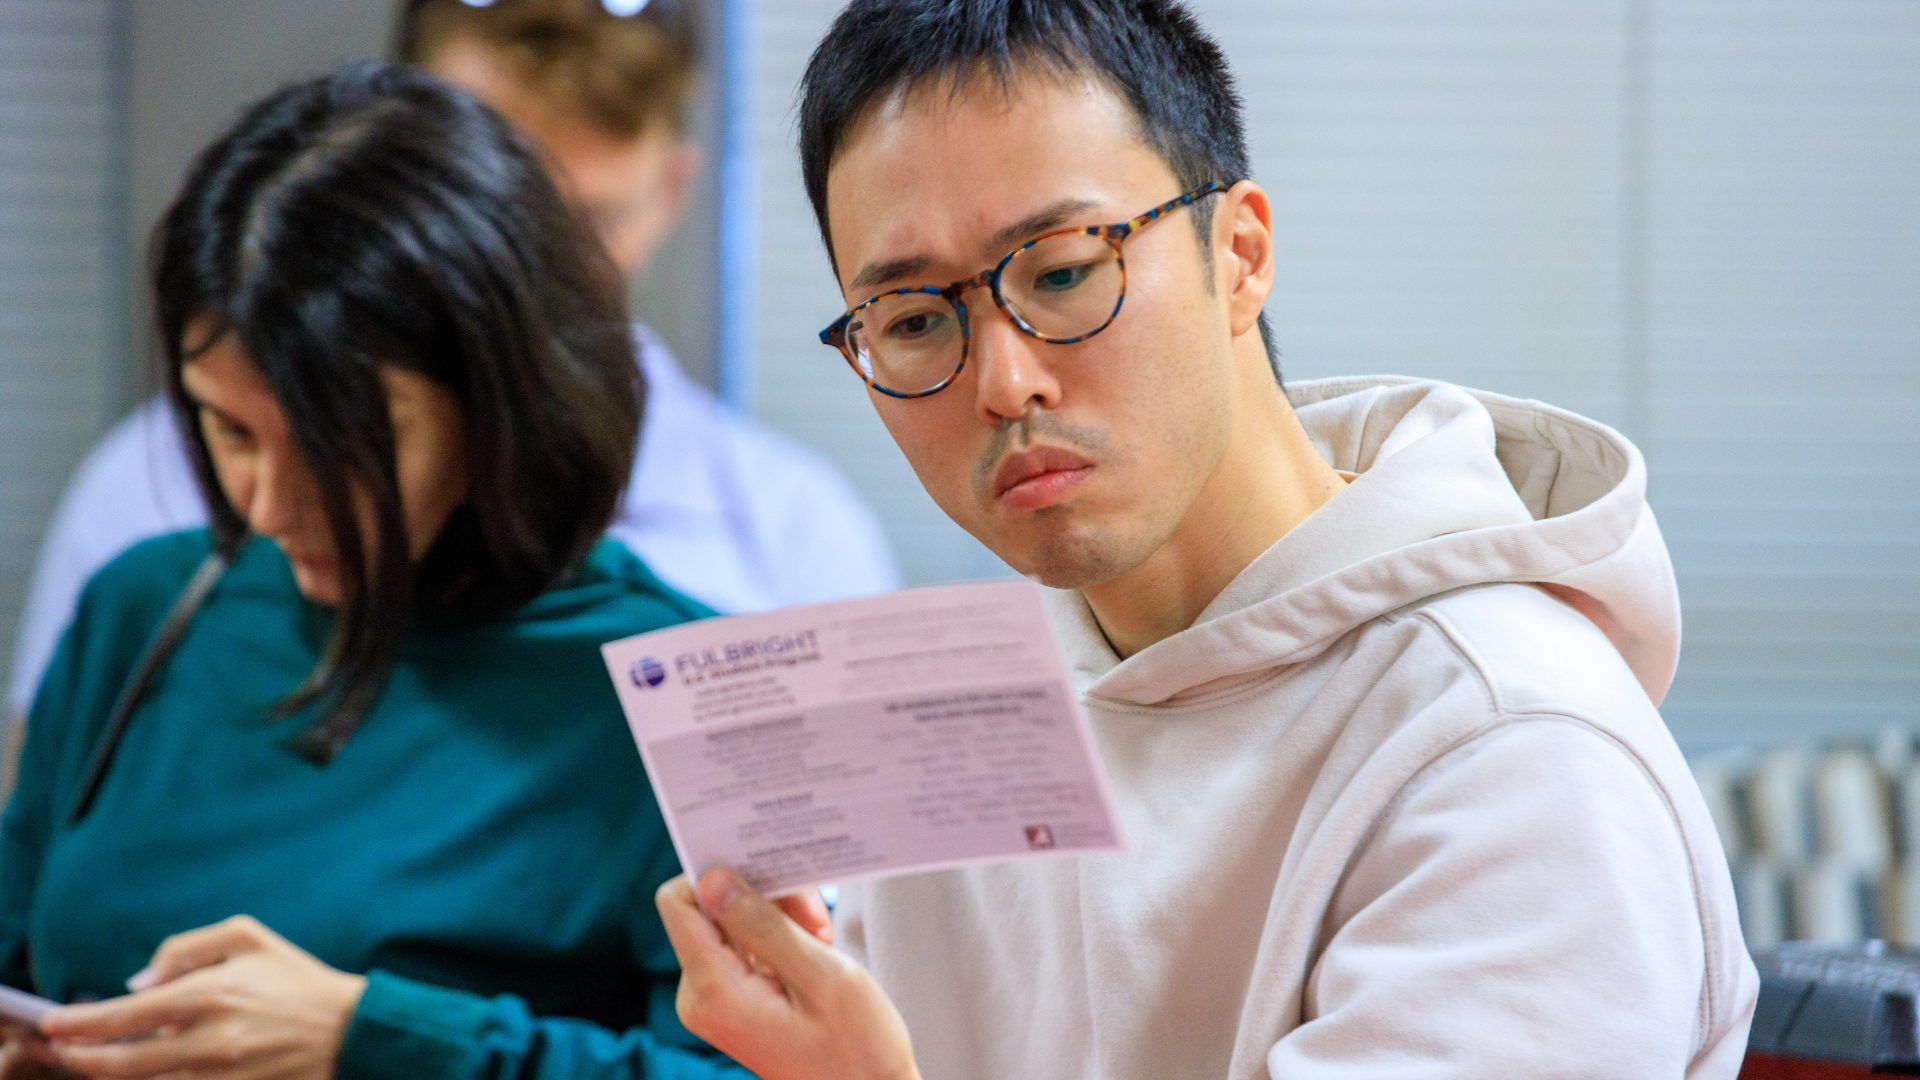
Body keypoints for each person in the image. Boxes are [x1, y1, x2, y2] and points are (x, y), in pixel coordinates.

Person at [654, 2, 1760, 1078]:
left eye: (1063, 270)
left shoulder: (1508, 744)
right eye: (911, 322)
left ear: (1239, 252)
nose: (1003, 382)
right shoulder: (961, 721)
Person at [0, 62, 825, 1079]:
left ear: (498, 400)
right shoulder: (147, 607)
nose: (264, 506)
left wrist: (371, 1038)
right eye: (225, 429)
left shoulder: (694, 701)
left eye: (339, 444)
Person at [3, 0, 898, 735]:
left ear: (670, 191)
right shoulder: (143, 517)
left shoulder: (785, 535)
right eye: (473, 206)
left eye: (584, 226)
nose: (522, 272)